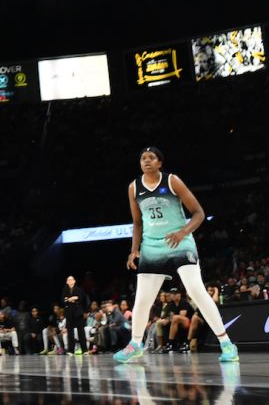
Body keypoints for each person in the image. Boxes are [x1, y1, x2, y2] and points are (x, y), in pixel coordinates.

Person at [114, 146, 238, 363]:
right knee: (142, 300)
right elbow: (137, 222)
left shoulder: (172, 181)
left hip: (180, 242)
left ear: (160, 163)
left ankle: (226, 343)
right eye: (143, 158)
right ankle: (135, 344)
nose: (147, 161)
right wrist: (134, 250)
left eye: (152, 157)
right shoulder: (133, 188)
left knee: (196, 291)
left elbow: (199, 213)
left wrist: (183, 232)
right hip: (152, 246)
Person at [61, 276, 89, 355]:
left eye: (71, 279)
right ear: (67, 282)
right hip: (69, 313)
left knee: (81, 331)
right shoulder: (65, 290)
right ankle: (71, 350)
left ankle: (85, 350)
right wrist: (71, 299)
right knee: (70, 332)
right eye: (68, 280)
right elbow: (63, 300)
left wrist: (71, 298)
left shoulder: (78, 289)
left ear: (74, 281)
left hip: (78, 312)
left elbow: (81, 298)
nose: (70, 281)